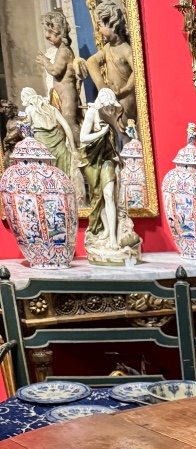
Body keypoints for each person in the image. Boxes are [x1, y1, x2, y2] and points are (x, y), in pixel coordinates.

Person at [80, 87, 141, 261]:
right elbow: (83, 138)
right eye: (107, 108)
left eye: (111, 108)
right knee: (98, 197)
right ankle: (106, 230)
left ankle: (113, 238)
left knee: (109, 195)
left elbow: (117, 138)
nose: (110, 111)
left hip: (108, 160)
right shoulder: (92, 113)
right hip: (93, 161)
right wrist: (101, 132)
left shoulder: (114, 113)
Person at [20, 87, 83, 199]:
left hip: (42, 147)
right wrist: (73, 148)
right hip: (60, 146)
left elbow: (26, 132)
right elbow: (67, 127)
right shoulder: (52, 109)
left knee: (47, 180)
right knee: (65, 178)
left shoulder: (29, 109)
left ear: (26, 97)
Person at [85, 0, 136, 122]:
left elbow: (137, 71)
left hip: (126, 100)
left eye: (100, 26)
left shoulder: (126, 50)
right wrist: (103, 89)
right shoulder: (107, 48)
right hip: (113, 99)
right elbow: (91, 62)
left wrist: (126, 89)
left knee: (126, 127)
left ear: (112, 24)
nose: (98, 30)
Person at [34, 10, 82, 134]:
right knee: (59, 126)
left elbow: (56, 71)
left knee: (69, 122)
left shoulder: (64, 51)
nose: (46, 35)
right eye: (46, 31)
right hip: (58, 95)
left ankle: (81, 148)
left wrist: (45, 61)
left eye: (50, 32)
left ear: (60, 32)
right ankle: (69, 150)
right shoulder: (59, 50)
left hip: (67, 95)